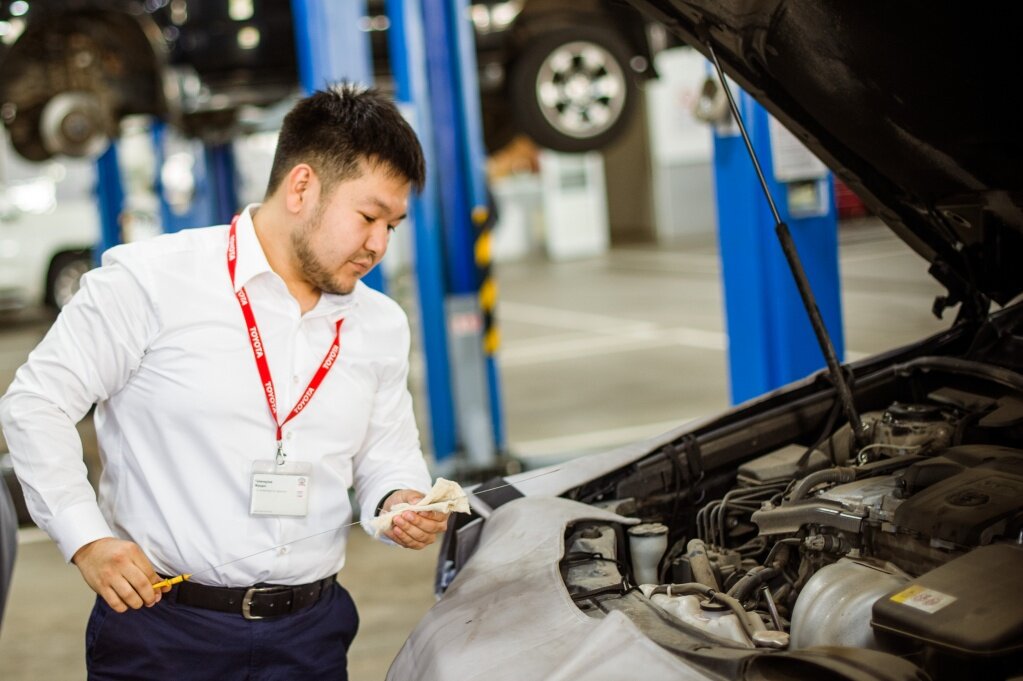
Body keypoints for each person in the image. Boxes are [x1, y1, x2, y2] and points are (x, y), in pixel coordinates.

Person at [0, 83, 447, 680]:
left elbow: (387, 452)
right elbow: (36, 404)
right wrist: (88, 541)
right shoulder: (151, 282)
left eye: (392, 225)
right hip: (163, 634)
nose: (378, 245)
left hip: (311, 637)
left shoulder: (379, 323)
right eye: (368, 217)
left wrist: (399, 500)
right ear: (302, 186)